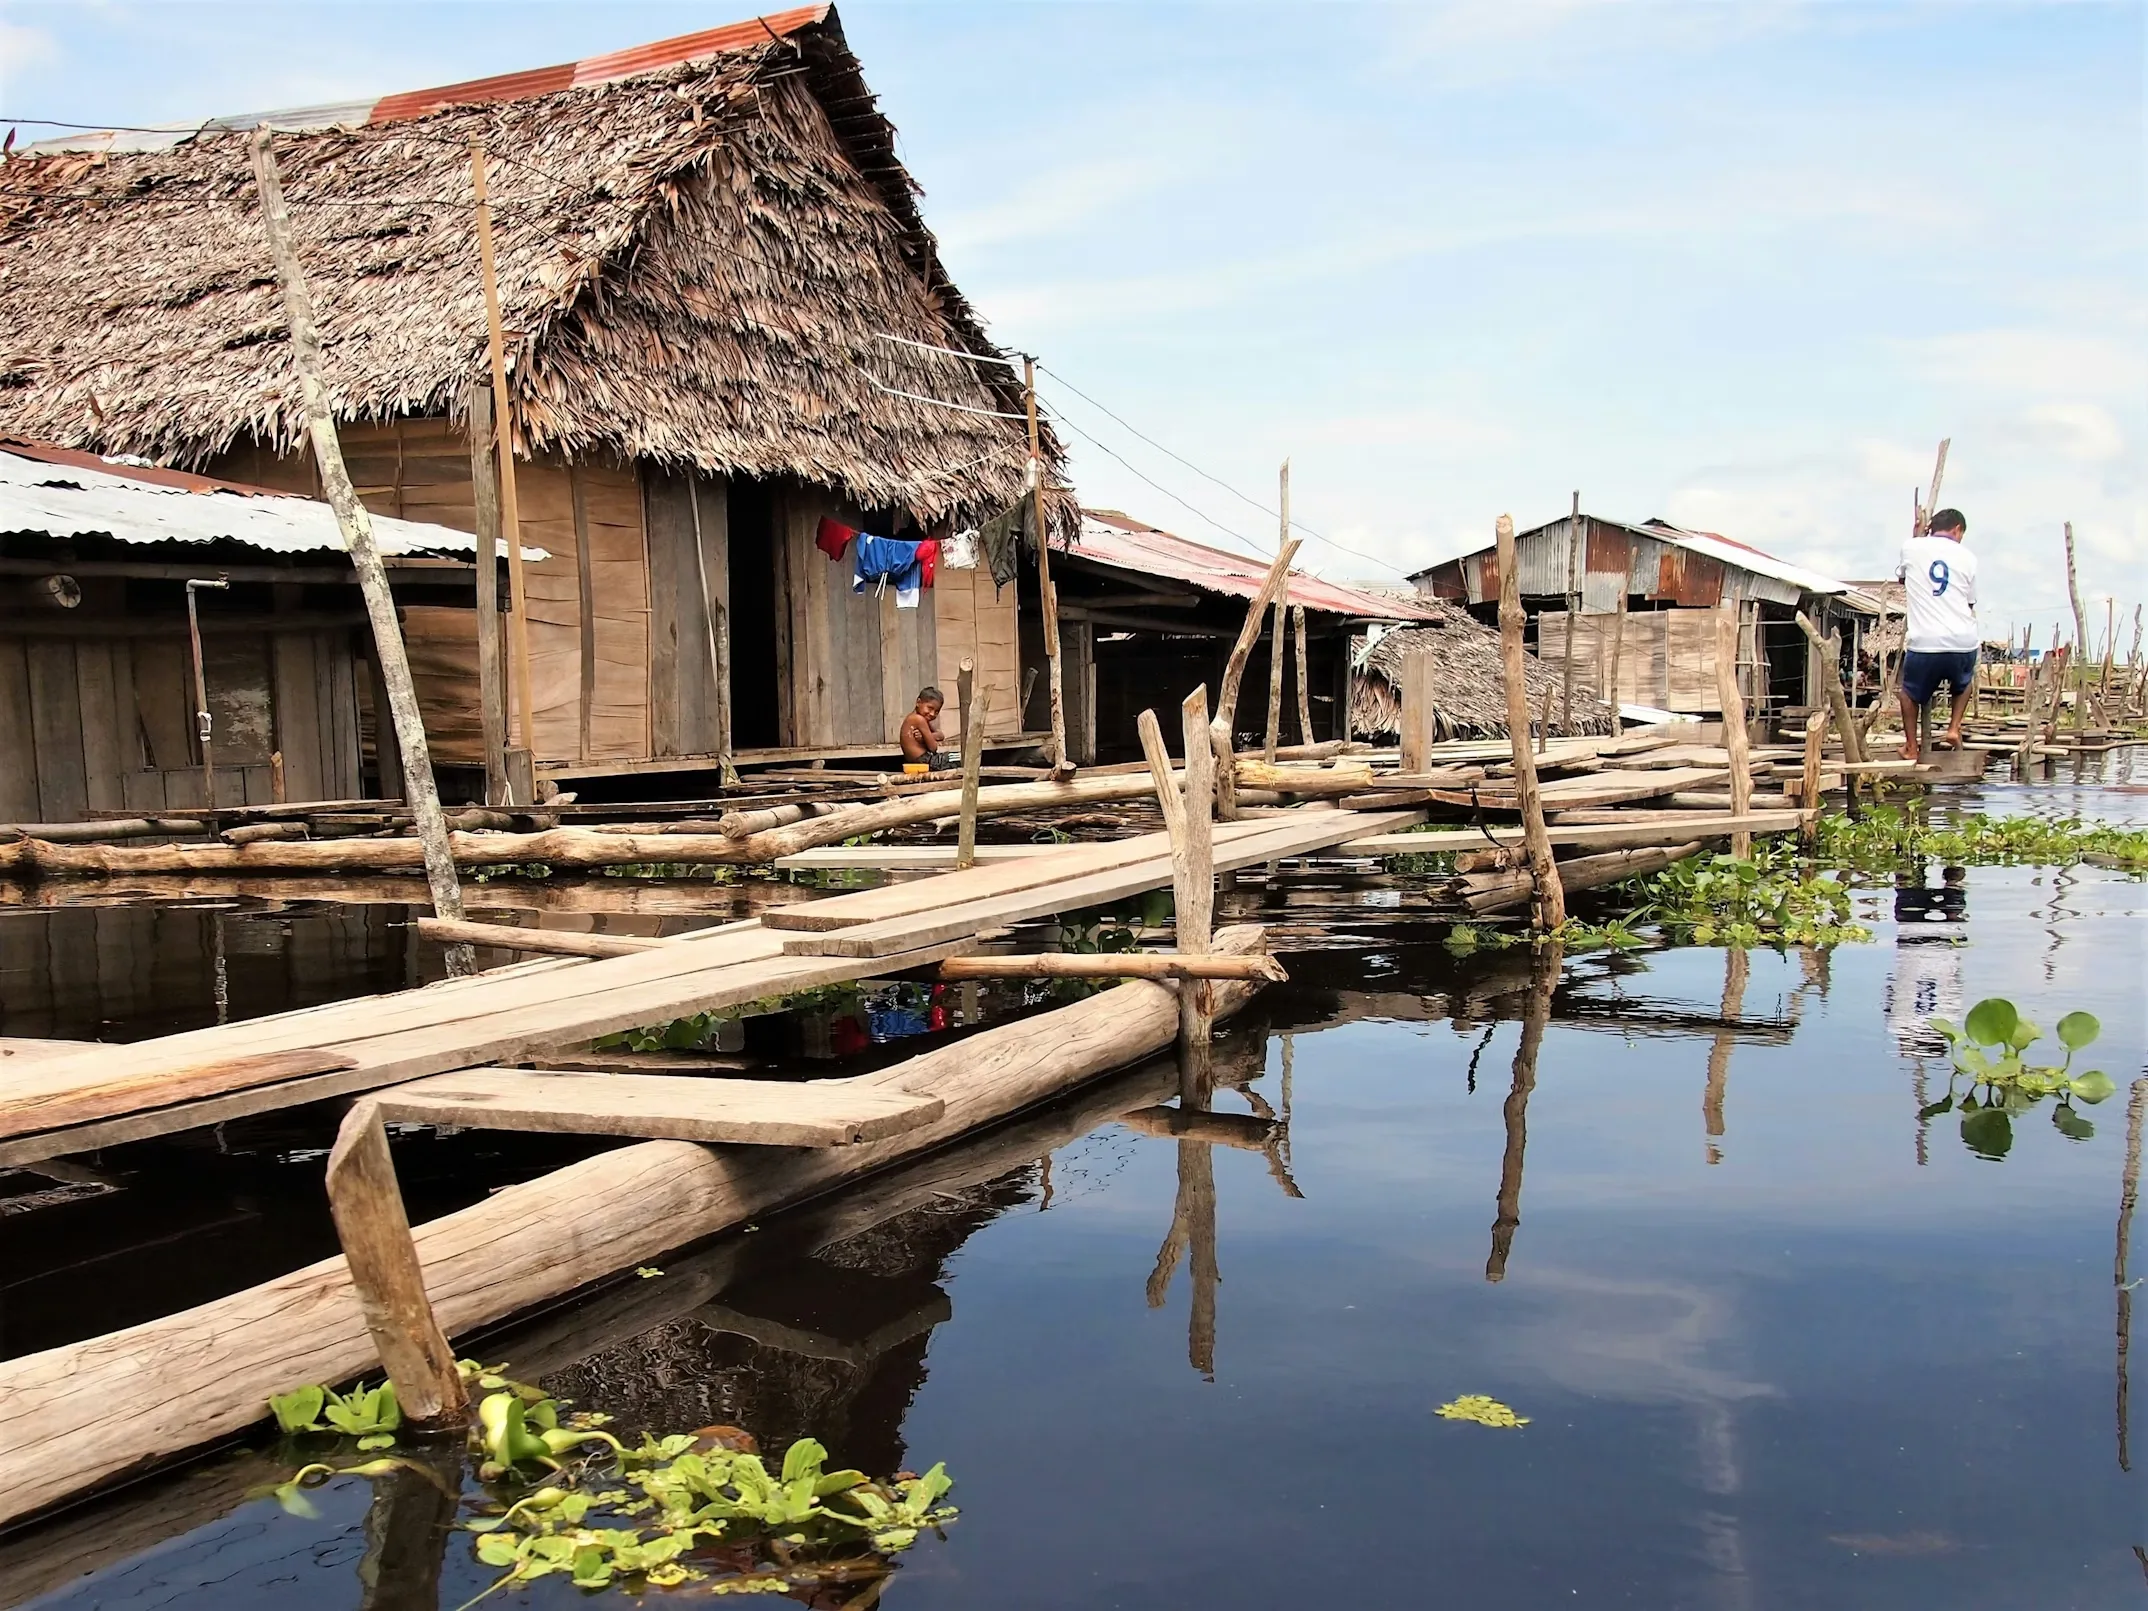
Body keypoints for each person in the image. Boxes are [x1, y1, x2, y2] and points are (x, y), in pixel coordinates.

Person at [1894, 507, 1979, 760]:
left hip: (1925, 643)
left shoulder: (1910, 547)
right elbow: (1971, 602)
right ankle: (1953, 728)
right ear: (1957, 530)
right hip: (1962, 642)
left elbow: (1902, 578)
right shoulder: (1969, 557)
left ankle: (1911, 746)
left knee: (1909, 694)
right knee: (1963, 685)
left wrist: (1917, 536)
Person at [900, 686, 949, 770]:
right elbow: (933, 748)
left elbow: (941, 735)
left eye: (936, 711)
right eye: (930, 708)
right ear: (918, 702)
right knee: (962, 757)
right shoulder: (919, 719)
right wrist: (929, 737)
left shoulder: (915, 718)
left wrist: (926, 737)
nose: (932, 714)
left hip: (921, 761)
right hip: (926, 761)